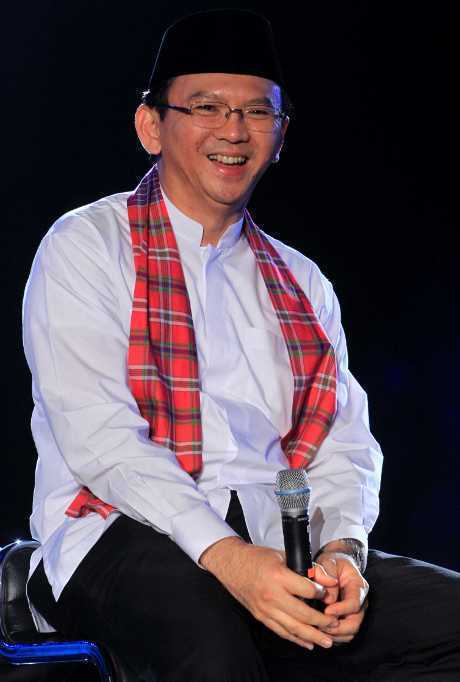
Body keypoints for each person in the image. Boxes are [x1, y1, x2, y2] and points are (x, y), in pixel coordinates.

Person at [22, 8, 460, 682]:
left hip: (274, 547)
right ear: (151, 126)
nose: (233, 130)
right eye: (206, 107)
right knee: (212, 643)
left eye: (258, 112)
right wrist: (227, 558)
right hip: (117, 535)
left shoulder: (302, 282)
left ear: (280, 136)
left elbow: (344, 443)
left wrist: (344, 552)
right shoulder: (86, 246)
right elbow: (99, 436)